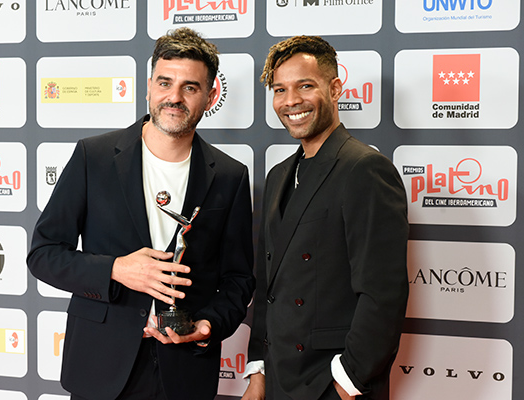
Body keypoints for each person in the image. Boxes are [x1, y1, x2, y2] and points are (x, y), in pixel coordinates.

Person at [27, 27, 255, 400]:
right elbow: (44, 254)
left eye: (190, 87)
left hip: (185, 373)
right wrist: (116, 269)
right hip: (101, 367)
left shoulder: (230, 176)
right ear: (149, 86)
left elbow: (238, 279)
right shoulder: (93, 157)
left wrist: (208, 325)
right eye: (165, 83)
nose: (174, 97)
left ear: (211, 96)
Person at [241, 36, 409, 400]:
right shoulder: (278, 176)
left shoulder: (365, 169)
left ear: (334, 89)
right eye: (280, 90)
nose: (290, 101)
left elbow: (383, 294)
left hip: (330, 382)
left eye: (305, 86)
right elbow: (268, 289)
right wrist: (258, 371)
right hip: (280, 379)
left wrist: (346, 384)